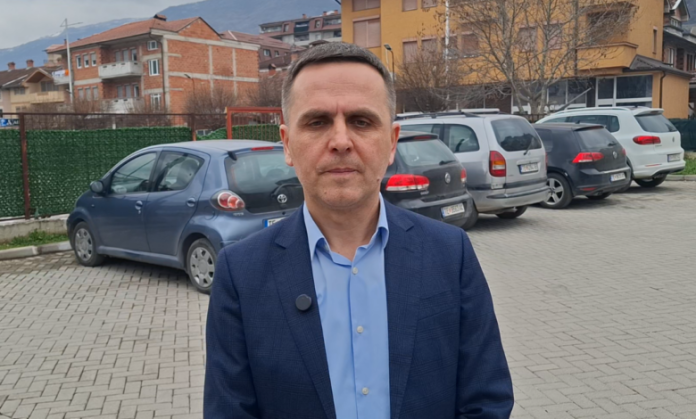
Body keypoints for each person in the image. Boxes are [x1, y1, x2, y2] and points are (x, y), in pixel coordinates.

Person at [204, 42, 514, 419]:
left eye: (361, 121)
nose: (340, 141)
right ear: (286, 144)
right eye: (317, 122)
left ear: (391, 142)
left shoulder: (450, 254)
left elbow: (486, 400)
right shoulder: (241, 274)